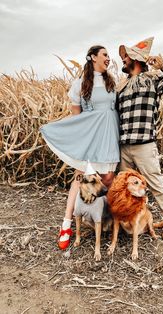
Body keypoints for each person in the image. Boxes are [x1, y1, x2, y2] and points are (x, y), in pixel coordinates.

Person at [40, 45, 119, 250]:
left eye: (109, 55)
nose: (108, 58)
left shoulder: (112, 81)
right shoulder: (80, 84)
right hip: (91, 135)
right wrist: (80, 138)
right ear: (93, 57)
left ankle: (100, 222)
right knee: (80, 177)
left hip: (110, 133)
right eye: (104, 55)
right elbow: (77, 117)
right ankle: (67, 225)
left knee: (108, 178)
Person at [117, 37, 163, 241]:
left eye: (126, 57)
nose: (123, 60)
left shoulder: (153, 80)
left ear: (135, 60)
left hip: (144, 145)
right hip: (123, 146)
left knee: (155, 183)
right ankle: (133, 222)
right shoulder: (122, 86)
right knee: (127, 188)